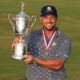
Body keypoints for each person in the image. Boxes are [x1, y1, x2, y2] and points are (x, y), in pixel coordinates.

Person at [12, 5, 71, 80]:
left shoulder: (64, 39)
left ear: (56, 18)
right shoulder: (32, 35)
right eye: (46, 17)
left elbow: (58, 64)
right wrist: (18, 44)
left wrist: (35, 60)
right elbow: (22, 54)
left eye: (52, 17)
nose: (49, 20)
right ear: (41, 19)